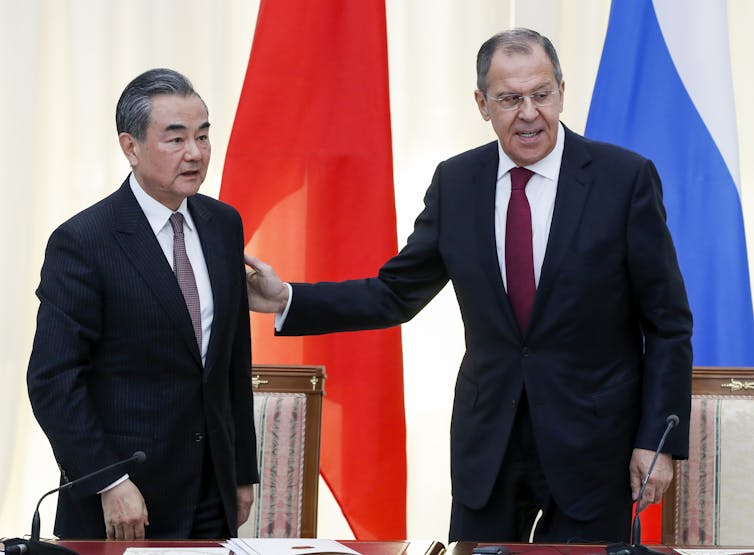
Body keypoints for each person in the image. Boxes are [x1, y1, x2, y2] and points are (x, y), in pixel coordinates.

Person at [246, 28, 694, 543]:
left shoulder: (624, 179)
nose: (528, 113)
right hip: (491, 446)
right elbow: (396, 292)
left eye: (541, 94)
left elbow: (668, 323)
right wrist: (288, 300)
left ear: (562, 91)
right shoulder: (457, 182)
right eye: (509, 99)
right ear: (482, 104)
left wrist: (656, 440)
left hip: (595, 446)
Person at [27, 68, 258, 540]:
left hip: (212, 492)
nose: (195, 153)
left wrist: (240, 470)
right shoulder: (84, 241)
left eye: (203, 136)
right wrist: (107, 479)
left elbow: (232, 358)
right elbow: (53, 379)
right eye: (175, 139)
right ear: (130, 147)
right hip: (123, 498)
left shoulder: (223, 224)